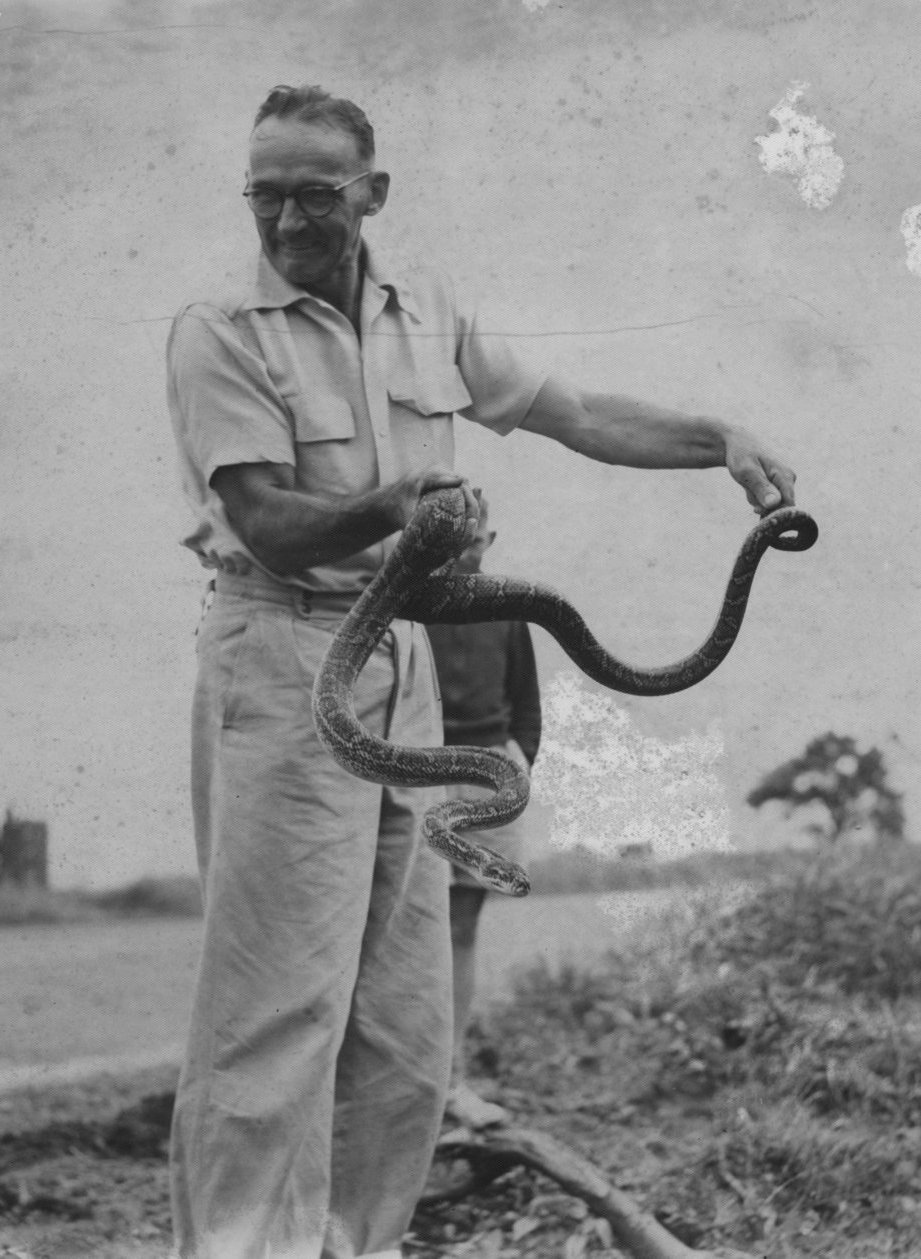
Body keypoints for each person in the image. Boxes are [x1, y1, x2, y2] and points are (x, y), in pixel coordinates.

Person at [165, 83, 798, 1259]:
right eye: (268, 194)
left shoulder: (428, 310)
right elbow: (263, 519)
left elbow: (573, 410)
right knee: (276, 1016)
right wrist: (397, 500)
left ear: (373, 194)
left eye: (317, 194)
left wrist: (719, 439)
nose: (290, 219)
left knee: (406, 1028)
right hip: (287, 647)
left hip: (400, 657)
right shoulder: (219, 330)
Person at [425, 498, 540, 1131]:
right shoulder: (409, 600)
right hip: (419, 767)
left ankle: (450, 1083)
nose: (467, 551)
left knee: (462, 924)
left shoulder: (507, 607)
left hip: (487, 774)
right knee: (408, 924)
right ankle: (404, 1084)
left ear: (489, 539)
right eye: (455, 540)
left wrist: (516, 773)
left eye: (477, 539)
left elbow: (527, 706)